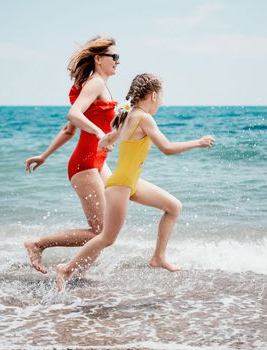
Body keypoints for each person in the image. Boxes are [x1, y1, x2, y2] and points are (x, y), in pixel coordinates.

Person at [56, 73, 215, 290]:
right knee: (107, 238)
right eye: (160, 98)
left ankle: (158, 257)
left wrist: (106, 143)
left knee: (173, 207)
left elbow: (106, 140)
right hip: (120, 185)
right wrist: (198, 142)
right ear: (152, 96)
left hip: (129, 182)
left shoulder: (127, 115)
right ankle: (66, 268)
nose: (160, 103)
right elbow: (167, 148)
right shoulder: (143, 118)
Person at [23, 36, 120, 273]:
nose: (118, 62)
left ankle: (75, 273)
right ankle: (38, 244)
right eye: (114, 57)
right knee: (101, 232)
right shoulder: (96, 83)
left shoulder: (100, 85)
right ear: (99, 59)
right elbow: (73, 115)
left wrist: (44, 155)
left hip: (97, 163)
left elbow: (68, 131)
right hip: (85, 164)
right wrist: (100, 133)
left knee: (111, 225)